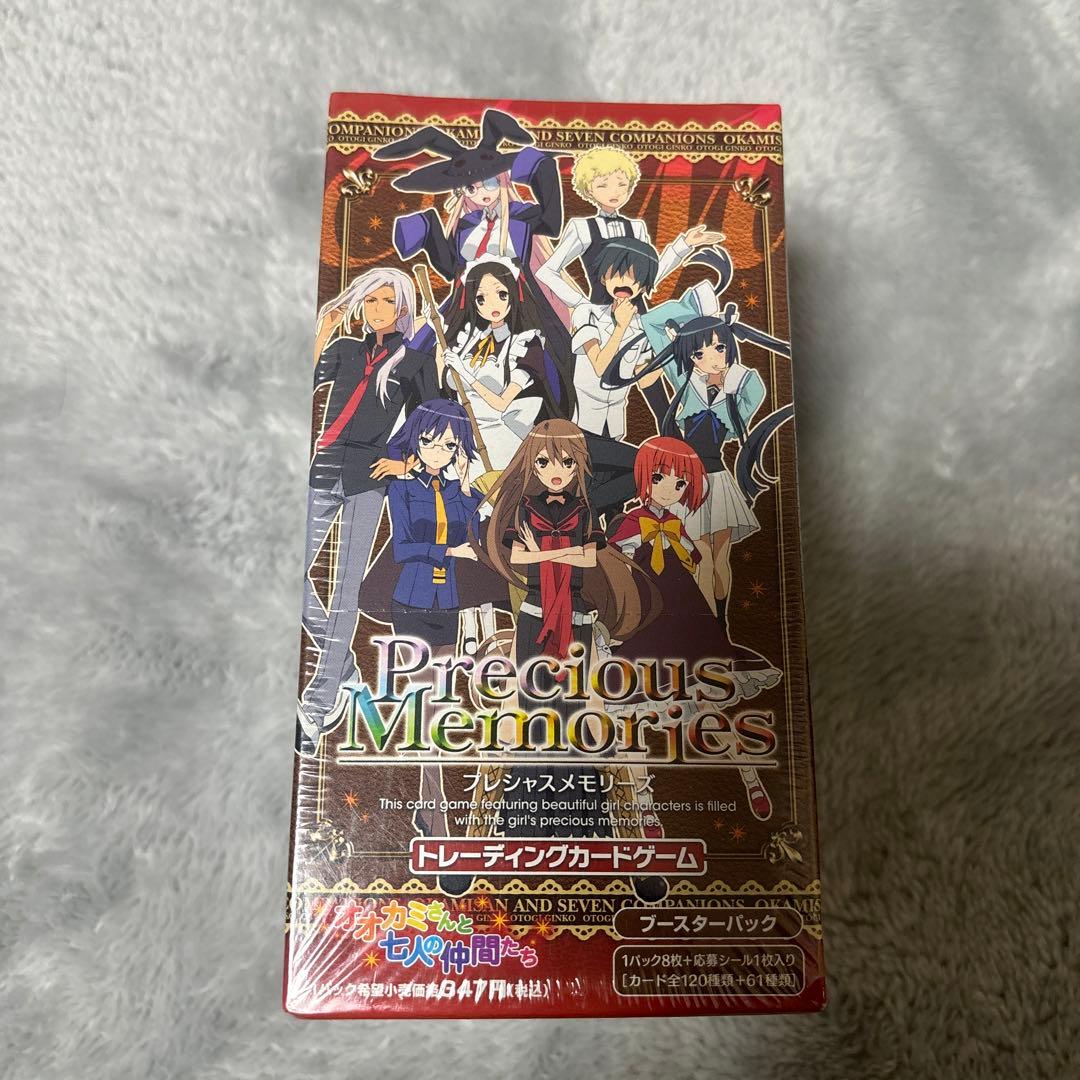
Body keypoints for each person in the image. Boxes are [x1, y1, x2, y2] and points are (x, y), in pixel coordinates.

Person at [297, 267, 438, 756]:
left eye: (388, 302)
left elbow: (437, 421)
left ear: (404, 307)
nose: (379, 310)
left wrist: (406, 463)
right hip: (323, 468)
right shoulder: (344, 350)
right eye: (372, 301)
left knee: (344, 592)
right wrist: (323, 328)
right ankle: (343, 667)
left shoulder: (414, 358)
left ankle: (318, 706)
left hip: (368, 479)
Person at [609, 436, 773, 820]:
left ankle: (750, 778)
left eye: (679, 483)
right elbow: (617, 575)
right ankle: (645, 808)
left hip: (685, 621)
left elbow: (695, 562)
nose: (669, 489)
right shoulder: (629, 524)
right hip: (646, 623)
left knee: (707, 704)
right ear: (644, 477)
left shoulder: (677, 523)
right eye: (660, 477)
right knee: (633, 713)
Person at [384, 399, 484, 838]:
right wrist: (447, 551)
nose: (438, 451)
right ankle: (435, 809)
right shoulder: (403, 489)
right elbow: (402, 548)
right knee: (426, 707)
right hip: (411, 603)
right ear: (416, 441)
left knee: (439, 707)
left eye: (448, 445)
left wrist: (465, 484)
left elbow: (472, 533)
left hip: (448, 605)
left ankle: (429, 809)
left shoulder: (458, 492)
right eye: (429, 441)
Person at [536, 145, 723, 311]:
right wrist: (580, 303)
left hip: (638, 315)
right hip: (602, 317)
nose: (614, 191)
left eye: (621, 184)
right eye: (603, 185)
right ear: (588, 189)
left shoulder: (637, 227)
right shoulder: (582, 228)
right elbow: (547, 271)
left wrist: (685, 244)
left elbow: (650, 275)